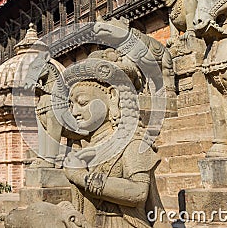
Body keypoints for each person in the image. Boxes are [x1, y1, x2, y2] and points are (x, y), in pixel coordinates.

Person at [62, 50, 162, 228]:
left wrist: (81, 177)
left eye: (83, 102)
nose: (74, 112)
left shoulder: (134, 143)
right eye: (71, 105)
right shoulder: (87, 147)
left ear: (112, 96)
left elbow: (138, 192)